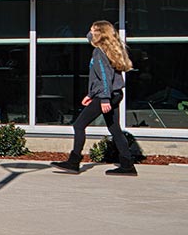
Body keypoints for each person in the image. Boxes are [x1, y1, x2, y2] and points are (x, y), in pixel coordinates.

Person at [55, 20, 136, 176]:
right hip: (115, 94)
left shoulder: (99, 52)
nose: (89, 33)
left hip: (107, 95)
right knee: (115, 130)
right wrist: (90, 95)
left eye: (92, 30)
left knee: (78, 125)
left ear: (99, 34)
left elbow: (105, 77)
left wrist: (104, 98)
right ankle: (127, 165)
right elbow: (103, 78)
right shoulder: (109, 50)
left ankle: (73, 162)